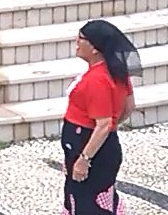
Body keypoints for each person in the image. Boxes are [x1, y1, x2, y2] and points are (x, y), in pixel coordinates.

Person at [61, 20, 139, 215]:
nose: (76, 42)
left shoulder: (98, 80)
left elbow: (103, 124)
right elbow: (128, 107)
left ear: (95, 48)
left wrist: (84, 158)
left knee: (87, 204)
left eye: (81, 39)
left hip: (89, 148)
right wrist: (112, 125)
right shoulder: (116, 71)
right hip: (98, 146)